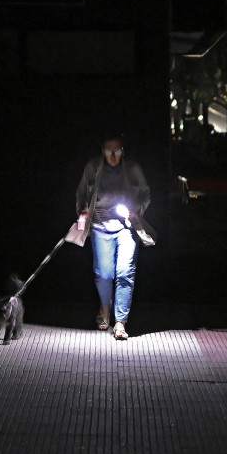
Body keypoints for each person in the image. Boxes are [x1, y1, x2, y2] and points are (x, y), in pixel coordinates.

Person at [75, 134, 153, 340]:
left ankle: (120, 323)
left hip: (126, 227)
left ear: (122, 151)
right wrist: (83, 211)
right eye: (109, 151)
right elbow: (82, 192)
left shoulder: (132, 169)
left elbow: (145, 193)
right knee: (104, 273)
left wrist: (135, 210)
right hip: (100, 226)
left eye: (117, 150)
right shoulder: (93, 167)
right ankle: (104, 308)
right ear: (102, 150)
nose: (113, 155)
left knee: (125, 272)